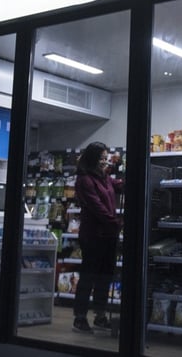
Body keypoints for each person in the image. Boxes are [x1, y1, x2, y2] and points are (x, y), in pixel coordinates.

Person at [71, 141, 123, 334]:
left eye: (106, 158)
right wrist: (115, 222)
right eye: (102, 158)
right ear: (93, 158)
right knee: (89, 276)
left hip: (108, 234)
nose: (105, 161)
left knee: (105, 277)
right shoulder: (85, 180)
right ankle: (80, 317)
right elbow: (96, 207)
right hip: (93, 235)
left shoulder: (104, 177)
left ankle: (100, 315)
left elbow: (118, 186)